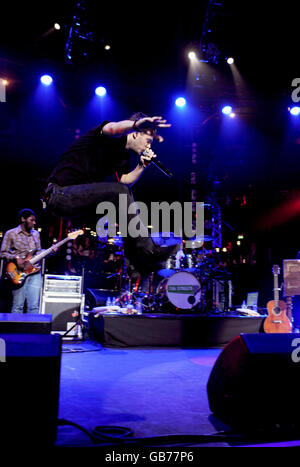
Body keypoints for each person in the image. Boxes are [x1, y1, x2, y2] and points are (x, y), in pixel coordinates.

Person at [44, 113, 179, 276]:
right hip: (60, 194)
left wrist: (142, 166)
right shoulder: (112, 138)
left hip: (78, 204)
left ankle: (135, 264)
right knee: (119, 194)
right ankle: (147, 251)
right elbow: (113, 129)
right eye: (148, 141)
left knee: (122, 198)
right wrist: (137, 123)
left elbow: (124, 182)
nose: (149, 147)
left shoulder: (121, 156)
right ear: (136, 133)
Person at [0, 209, 42, 313]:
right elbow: (3, 253)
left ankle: (32, 328)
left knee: (34, 306)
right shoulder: (11, 233)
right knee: (18, 306)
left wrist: (51, 251)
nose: (34, 223)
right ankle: (15, 329)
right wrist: (16, 258)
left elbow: (39, 252)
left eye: (35, 220)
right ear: (23, 219)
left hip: (34, 271)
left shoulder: (36, 234)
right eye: (31, 220)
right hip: (18, 272)